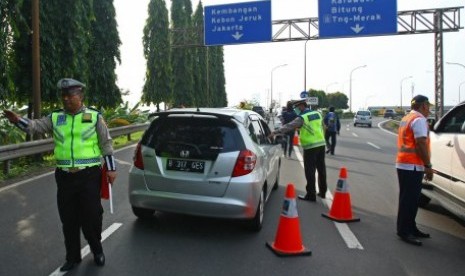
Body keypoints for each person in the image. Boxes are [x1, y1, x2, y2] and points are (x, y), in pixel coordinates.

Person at [3, 78, 117, 271]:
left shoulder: (94, 117)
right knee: (69, 219)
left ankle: (97, 250)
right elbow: (35, 126)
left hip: (89, 176)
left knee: (92, 217)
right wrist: (17, 120)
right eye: (63, 96)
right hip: (64, 178)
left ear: (80, 96)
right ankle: (72, 257)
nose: (66, 99)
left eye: (70, 95)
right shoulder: (56, 117)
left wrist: (112, 168)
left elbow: (106, 144)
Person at [270, 99, 327, 201]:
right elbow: (323, 127)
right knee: (321, 169)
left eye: (296, 108)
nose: (295, 110)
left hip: (310, 147)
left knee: (310, 171)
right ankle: (323, 192)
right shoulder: (318, 114)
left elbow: (289, 126)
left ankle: (311, 194)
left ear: (301, 106)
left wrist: (275, 132)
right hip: (321, 144)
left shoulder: (302, 118)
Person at [395, 94, 433, 246]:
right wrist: (428, 166)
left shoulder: (406, 118)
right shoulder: (419, 120)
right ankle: (404, 231)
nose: (429, 110)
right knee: (409, 200)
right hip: (411, 166)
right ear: (423, 106)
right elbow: (421, 144)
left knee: (411, 199)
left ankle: (411, 227)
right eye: (428, 107)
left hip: (405, 164)